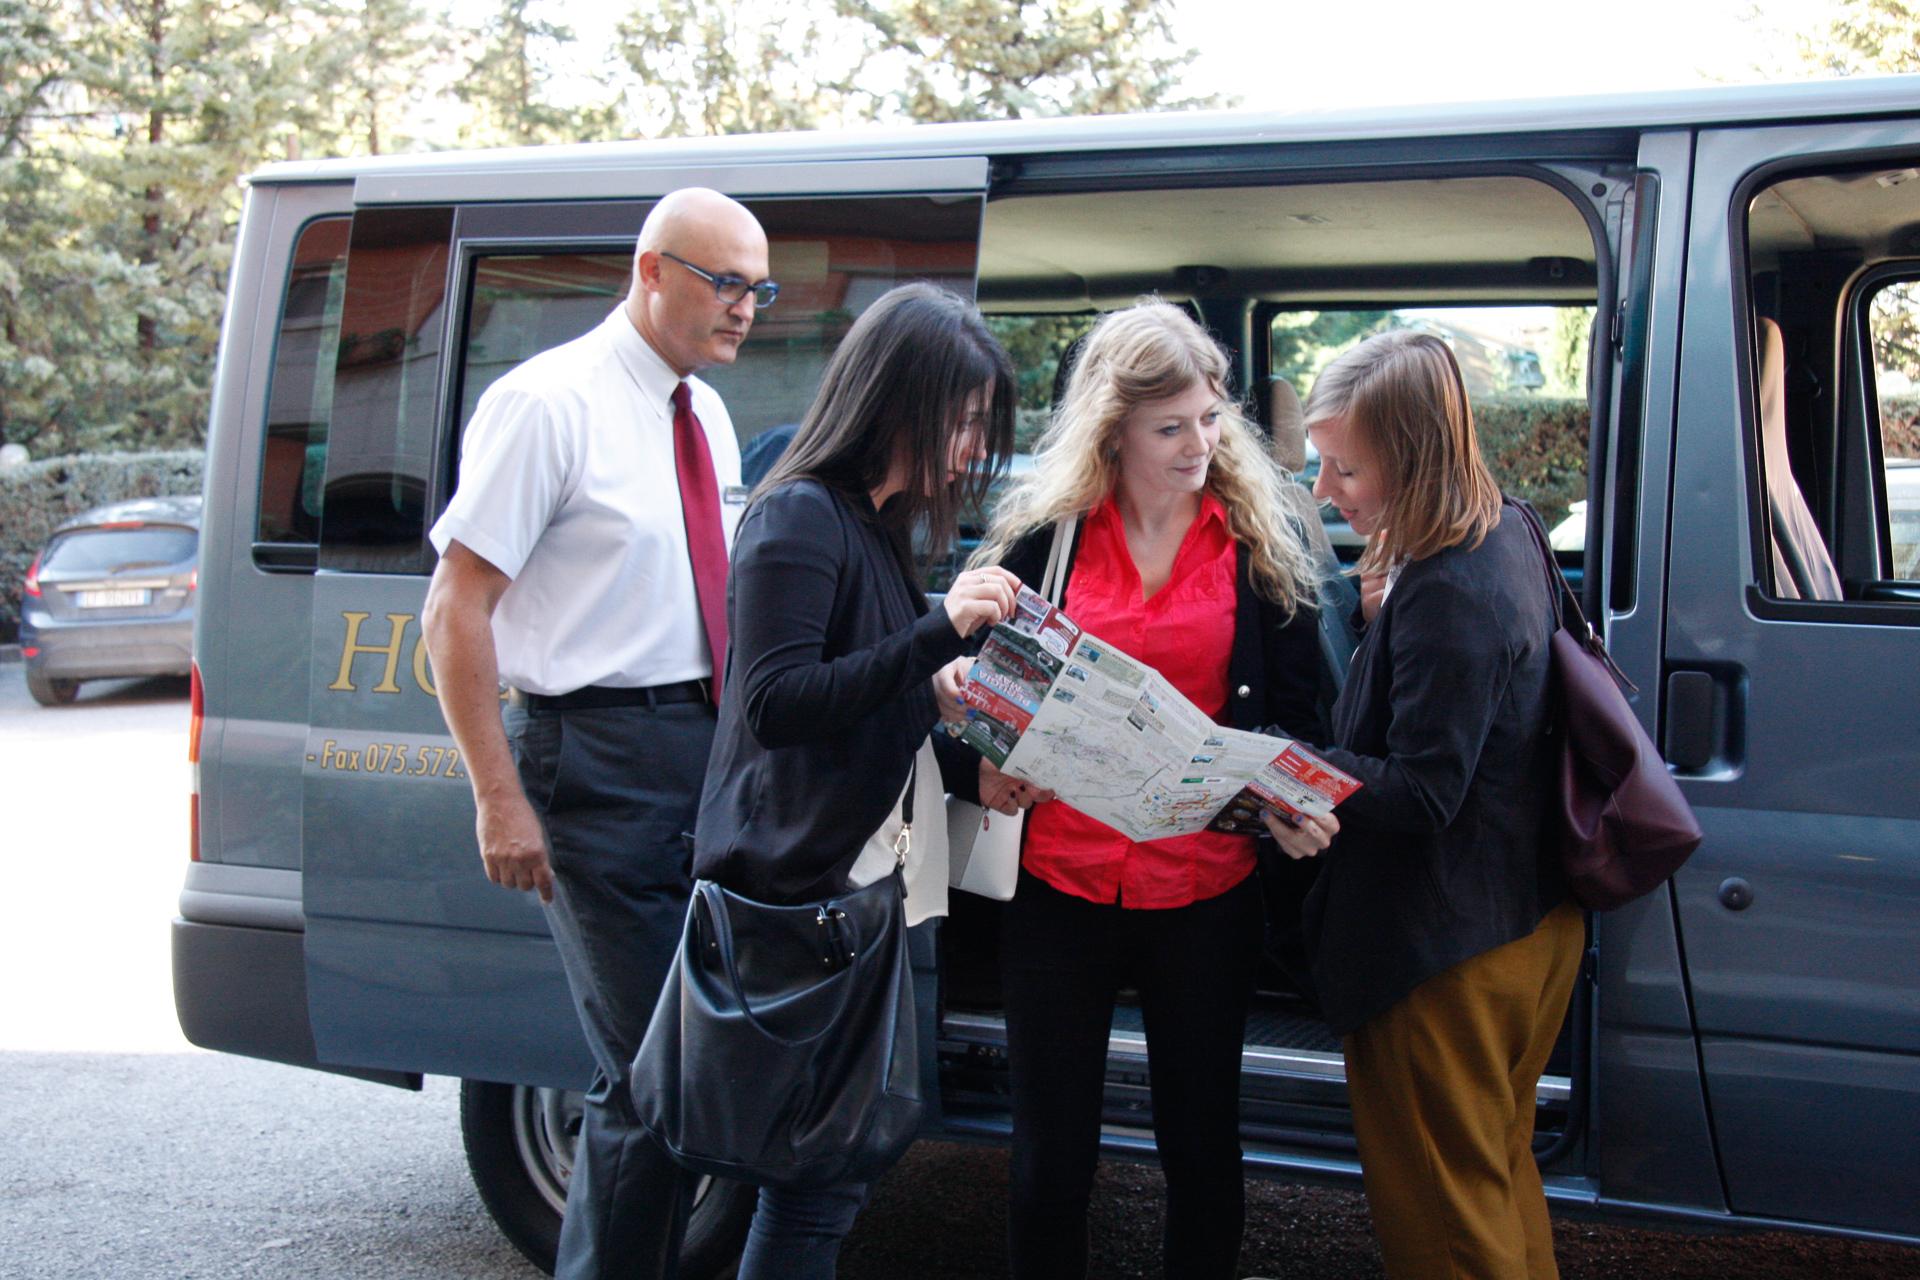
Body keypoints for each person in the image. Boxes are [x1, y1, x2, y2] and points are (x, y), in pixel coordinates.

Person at [420, 187, 773, 1280]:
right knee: (658, 1070)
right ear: (651, 269)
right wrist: (496, 793)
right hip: (598, 759)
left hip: (704, 753)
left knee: (675, 1071)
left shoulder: (703, 411)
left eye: (758, 289)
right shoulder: (550, 403)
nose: (745, 309)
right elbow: (454, 607)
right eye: (724, 282)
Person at [951, 300, 1325, 1280]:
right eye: (1172, 427)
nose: (1201, 442)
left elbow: (1303, 712)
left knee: (1201, 1146)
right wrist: (987, 760)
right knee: (1051, 1157)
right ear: (1113, 429)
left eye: (1210, 418)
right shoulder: (1048, 540)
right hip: (1060, 886)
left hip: (1205, 890)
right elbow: (969, 692)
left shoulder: (1253, 541)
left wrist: (1279, 787)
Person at [691, 281, 1019, 1279]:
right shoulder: (797, 516)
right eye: (960, 420)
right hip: (801, 891)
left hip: (860, 879)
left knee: (825, 1173)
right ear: (896, 399)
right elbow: (777, 703)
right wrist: (938, 631)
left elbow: (870, 688)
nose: (971, 446)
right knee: (817, 1175)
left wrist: (955, 699)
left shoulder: (875, 524)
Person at [1271, 328, 1583, 1279]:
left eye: (1346, 468)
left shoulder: (1449, 588)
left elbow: (1425, 789)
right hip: (1519, 918)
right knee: (1490, 1177)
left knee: (1442, 1222)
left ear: (1411, 456)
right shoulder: (1509, 529)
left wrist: (1283, 762)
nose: (1325, 490)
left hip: (1441, 945)